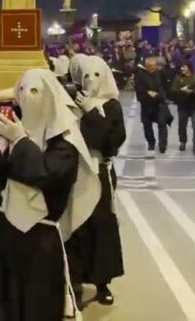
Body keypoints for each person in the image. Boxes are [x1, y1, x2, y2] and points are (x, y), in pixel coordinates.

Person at [0, 69, 99, 321]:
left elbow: (45, 174)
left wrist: (19, 141)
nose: (27, 97)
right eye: (21, 90)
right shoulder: (7, 130)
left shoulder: (64, 141)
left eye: (34, 91)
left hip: (38, 238)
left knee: (36, 305)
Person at [66, 55, 126, 305]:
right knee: (76, 225)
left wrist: (92, 112)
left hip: (100, 172)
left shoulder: (112, 107)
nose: (90, 80)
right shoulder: (71, 103)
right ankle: (76, 281)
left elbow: (110, 143)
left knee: (101, 227)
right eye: (86, 75)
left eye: (96, 75)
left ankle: (103, 283)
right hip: (76, 171)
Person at [135, 56, 170, 155]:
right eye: (150, 66)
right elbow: (137, 88)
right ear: (146, 66)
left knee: (162, 124)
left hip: (160, 103)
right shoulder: (140, 75)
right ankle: (151, 143)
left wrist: (165, 97)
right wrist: (147, 92)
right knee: (147, 125)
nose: (152, 67)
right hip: (146, 104)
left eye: (154, 65)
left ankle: (162, 145)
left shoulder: (160, 73)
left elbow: (166, 85)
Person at [171, 63, 195, 155]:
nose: (182, 68)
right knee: (182, 125)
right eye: (181, 67)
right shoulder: (178, 78)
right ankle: (183, 141)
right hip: (183, 105)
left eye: (184, 66)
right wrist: (181, 90)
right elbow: (173, 90)